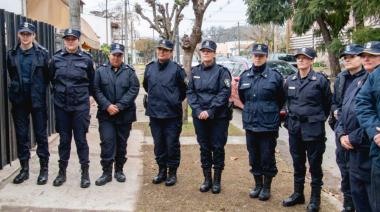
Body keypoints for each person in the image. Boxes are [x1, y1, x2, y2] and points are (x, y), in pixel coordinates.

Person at [282, 47, 332, 212]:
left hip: (313, 130)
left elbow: (327, 106)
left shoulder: (320, 80)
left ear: (312, 60)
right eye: (298, 58)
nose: (301, 60)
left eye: (305, 58)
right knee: (297, 163)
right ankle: (298, 194)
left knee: (315, 165)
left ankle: (315, 199)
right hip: (295, 129)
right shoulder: (290, 80)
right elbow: (287, 102)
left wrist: (315, 119)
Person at [238, 43, 285, 201]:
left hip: (268, 125)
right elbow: (243, 97)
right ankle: (257, 184)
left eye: (261, 56)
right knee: (254, 156)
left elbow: (281, 99)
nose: (257, 58)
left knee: (267, 157)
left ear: (266, 57)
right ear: (252, 56)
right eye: (255, 55)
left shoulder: (275, 76)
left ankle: (266, 187)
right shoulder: (245, 76)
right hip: (251, 123)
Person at [49, 28, 95, 188]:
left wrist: (90, 97)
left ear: (78, 40)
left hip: (80, 107)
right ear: (64, 40)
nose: (70, 41)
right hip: (62, 106)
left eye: (73, 39)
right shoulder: (55, 59)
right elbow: (50, 80)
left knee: (81, 140)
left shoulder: (87, 59)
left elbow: (92, 81)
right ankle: (62, 173)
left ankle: (85, 173)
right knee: (64, 140)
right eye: (67, 39)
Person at [6, 22, 50, 185]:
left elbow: (47, 76)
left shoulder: (42, 54)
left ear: (34, 36)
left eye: (28, 34)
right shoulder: (12, 54)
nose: (25, 37)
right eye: (23, 34)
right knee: (21, 136)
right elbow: (12, 74)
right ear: (18, 35)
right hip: (19, 101)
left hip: (37, 100)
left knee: (41, 135)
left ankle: (43, 170)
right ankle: (24, 169)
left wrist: (37, 89)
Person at [187, 40, 232, 194]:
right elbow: (190, 92)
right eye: (203, 50)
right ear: (200, 52)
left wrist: (210, 111)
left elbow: (224, 93)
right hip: (199, 117)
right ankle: (207, 180)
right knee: (204, 148)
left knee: (218, 148)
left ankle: (217, 181)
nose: (205, 53)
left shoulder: (222, 71)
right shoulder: (194, 72)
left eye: (209, 51)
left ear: (214, 53)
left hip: (218, 117)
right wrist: (199, 110)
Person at [93, 43, 139, 186]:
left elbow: (134, 89)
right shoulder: (100, 71)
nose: (116, 57)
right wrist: (107, 105)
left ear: (122, 56)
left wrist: (119, 106)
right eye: (114, 54)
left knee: (121, 144)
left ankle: (119, 170)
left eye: (119, 55)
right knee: (107, 143)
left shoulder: (129, 71)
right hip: (106, 115)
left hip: (124, 115)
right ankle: (106, 173)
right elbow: (96, 89)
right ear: (109, 55)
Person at [143, 39, 187, 186]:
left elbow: (184, 90)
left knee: (172, 144)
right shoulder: (150, 68)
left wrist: (173, 100)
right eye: (160, 49)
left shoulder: (177, 69)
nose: (161, 52)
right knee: (159, 144)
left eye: (165, 50)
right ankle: (161, 171)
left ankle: (172, 173)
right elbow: (146, 86)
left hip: (172, 115)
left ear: (171, 52)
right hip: (155, 114)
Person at [335, 44, 372, 212]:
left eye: (352, 56)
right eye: (345, 57)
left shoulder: (368, 80)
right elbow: (339, 106)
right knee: (347, 176)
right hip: (344, 139)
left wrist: (352, 137)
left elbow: (369, 117)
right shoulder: (344, 79)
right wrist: (341, 133)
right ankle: (348, 205)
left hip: (363, 143)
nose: (347, 59)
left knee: (368, 190)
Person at [355, 41, 380, 212]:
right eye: (364, 55)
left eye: (372, 55)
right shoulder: (375, 77)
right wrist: (374, 131)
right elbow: (362, 103)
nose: (367, 58)